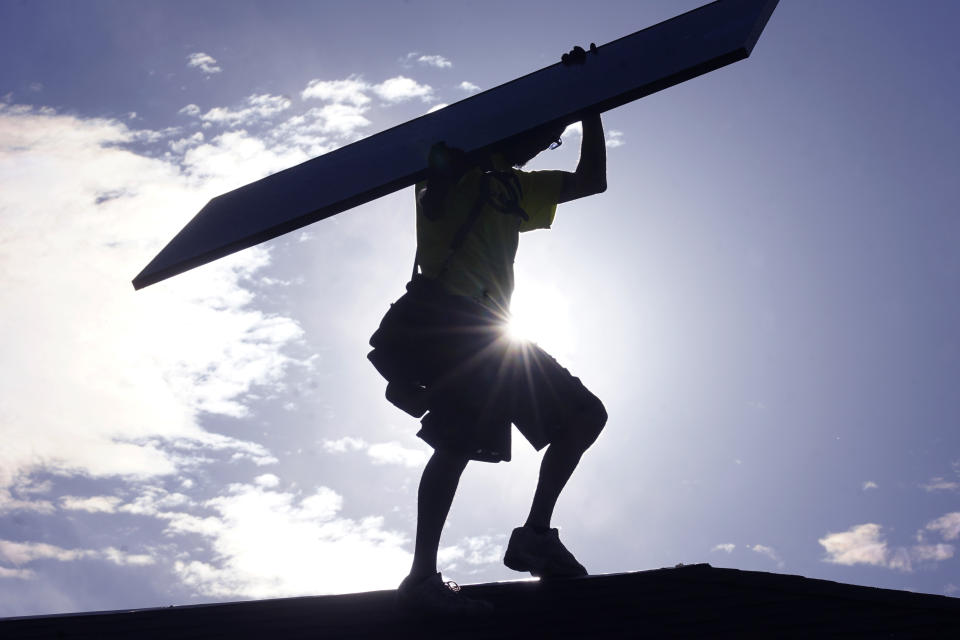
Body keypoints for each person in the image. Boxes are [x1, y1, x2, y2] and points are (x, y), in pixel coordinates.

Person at [368, 49, 607, 616]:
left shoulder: (516, 188)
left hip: (498, 332)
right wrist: (557, 112)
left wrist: (592, 106)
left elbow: (591, 181)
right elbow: (441, 169)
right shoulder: (446, 171)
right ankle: (421, 575)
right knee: (456, 441)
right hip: (452, 320)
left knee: (584, 415)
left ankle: (535, 537)